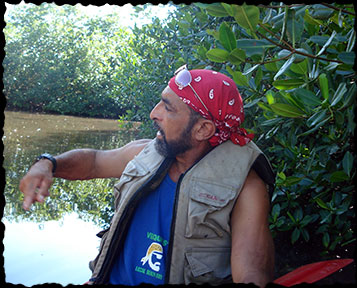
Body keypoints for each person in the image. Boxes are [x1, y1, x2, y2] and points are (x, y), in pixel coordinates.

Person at [20, 65, 275, 287]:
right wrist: (47, 163)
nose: (154, 113)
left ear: (202, 129)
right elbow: (95, 162)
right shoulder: (145, 152)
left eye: (168, 108)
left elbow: (251, 273)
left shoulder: (246, 188)